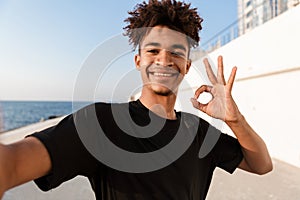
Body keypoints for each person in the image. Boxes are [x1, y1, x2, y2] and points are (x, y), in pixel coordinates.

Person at [0, 0, 272, 199]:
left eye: (176, 52)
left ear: (187, 65)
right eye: (154, 50)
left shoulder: (198, 132)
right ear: (138, 60)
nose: (164, 60)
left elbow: (261, 165)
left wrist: (235, 120)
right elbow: (11, 164)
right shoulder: (102, 123)